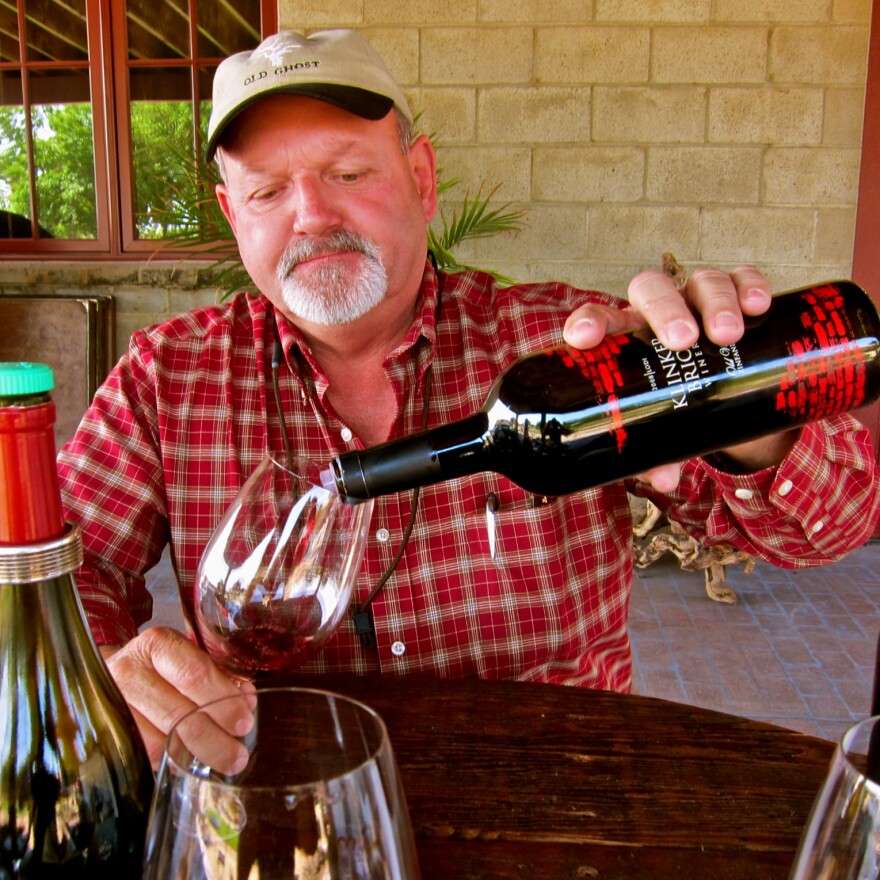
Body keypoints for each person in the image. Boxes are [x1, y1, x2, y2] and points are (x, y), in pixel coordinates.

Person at [58, 28, 880, 766]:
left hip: (558, 801)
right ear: (233, 216)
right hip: (288, 797)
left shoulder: (567, 350)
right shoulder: (169, 375)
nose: (310, 214)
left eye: (348, 172)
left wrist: (741, 402)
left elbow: (834, 527)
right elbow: (63, 569)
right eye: (268, 192)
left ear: (421, 179)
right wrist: (106, 669)